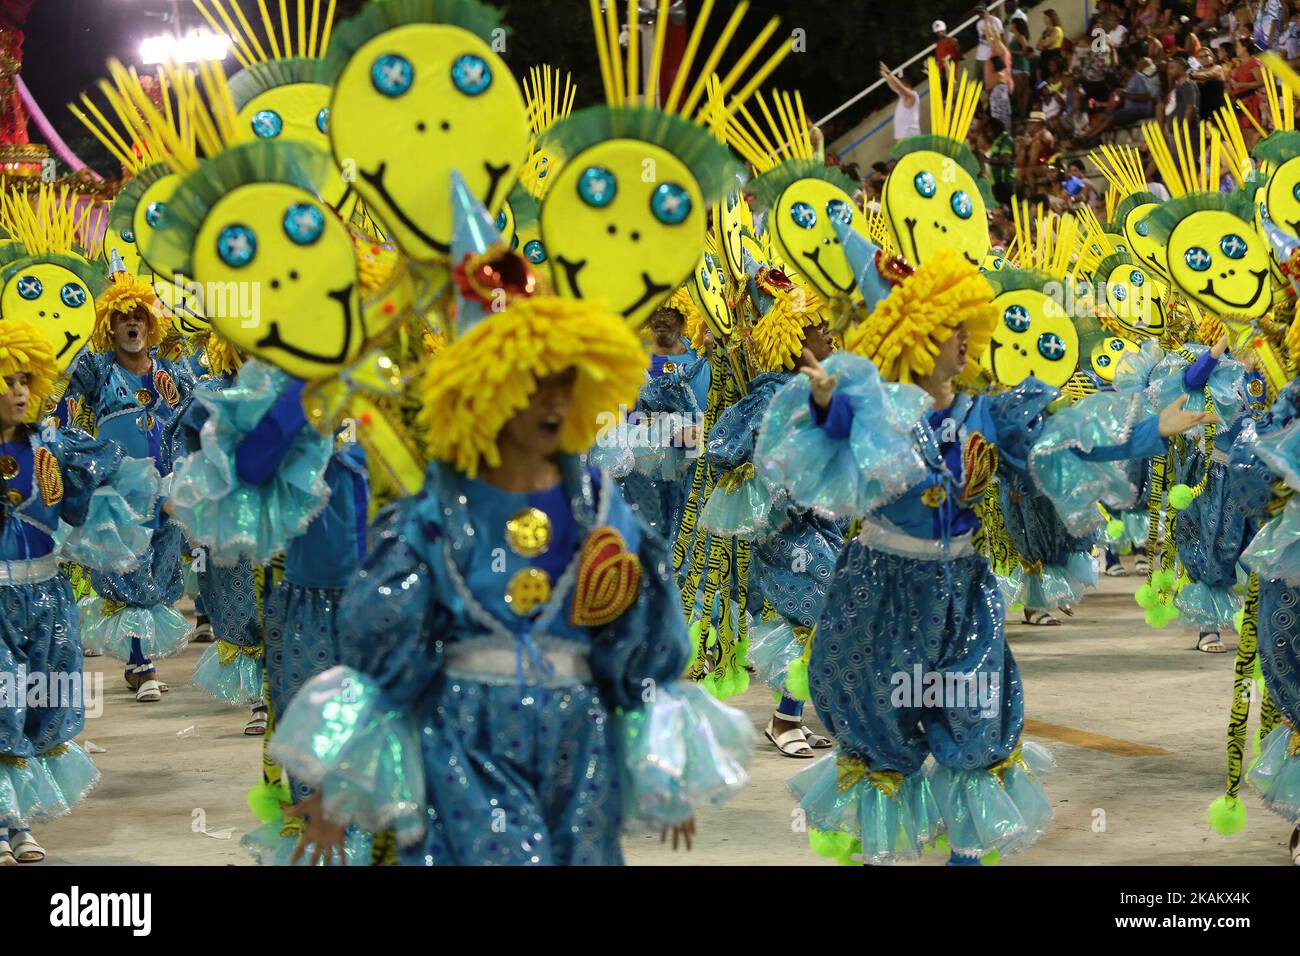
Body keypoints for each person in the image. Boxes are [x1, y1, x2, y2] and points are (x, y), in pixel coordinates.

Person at [269, 183, 753, 866]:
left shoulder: (599, 505)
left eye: (562, 383)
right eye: (531, 384)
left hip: (578, 742)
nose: (551, 402)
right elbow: (387, 654)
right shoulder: (433, 513)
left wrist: (665, 767)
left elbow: (639, 639)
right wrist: (340, 793)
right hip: (463, 736)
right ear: (485, 390)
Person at [759, 229, 1218, 866]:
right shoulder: (879, 408)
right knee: (878, 727)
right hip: (880, 589)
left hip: (963, 593)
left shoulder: (990, 414)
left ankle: (966, 860)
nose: (966, 337)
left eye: (964, 324)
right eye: (952, 327)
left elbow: (1064, 445)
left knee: (976, 720)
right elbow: (839, 434)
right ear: (917, 338)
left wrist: (1148, 430)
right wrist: (826, 405)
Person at [0, 320, 159, 864]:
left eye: (26, 380)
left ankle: (16, 817)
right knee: (2, 706)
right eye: (7, 380)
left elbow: (82, 506)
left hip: (48, 598)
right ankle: (9, 824)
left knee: (40, 712)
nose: (19, 391)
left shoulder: (54, 446)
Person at [60, 265, 196, 702]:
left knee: (160, 571)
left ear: (151, 323)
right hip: (119, 493)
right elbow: (60, 389)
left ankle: (140, 663)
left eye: (139, 315)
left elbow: (199, 417)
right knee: (128, 568)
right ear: (110, 325)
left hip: (168, 490)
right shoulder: (97, 371)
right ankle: (141, 663)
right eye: (123, 316)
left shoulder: (172, 374)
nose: (132, 323)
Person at [882, 62, 921, 143]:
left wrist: (889, 73)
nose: (898, 87)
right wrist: (885, 75)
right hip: (905, 143)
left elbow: (899, 86)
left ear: (908, 86)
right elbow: (894, 86)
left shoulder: (912, 95)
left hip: (911, 140)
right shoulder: (903, 97)